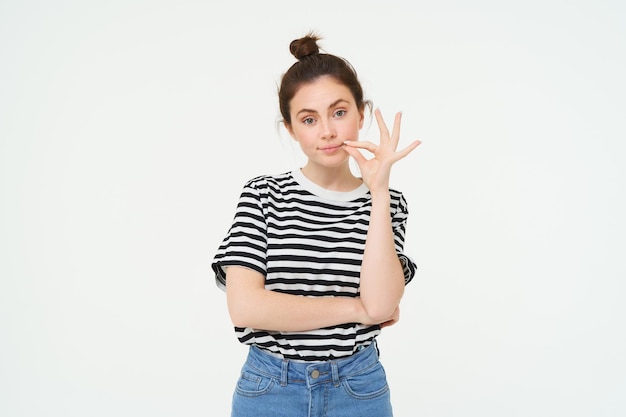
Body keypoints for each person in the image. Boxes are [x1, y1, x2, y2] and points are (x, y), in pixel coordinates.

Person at [211, 32, 421, 417]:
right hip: (271, 388)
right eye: (309, 119)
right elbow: (244, 307)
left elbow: (381, 302)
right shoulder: (262, 195)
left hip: (359, 387)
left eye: (339, 112)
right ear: (291, 128)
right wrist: (357, 311)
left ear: (361, 112)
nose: (327, 131)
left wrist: (377, 192)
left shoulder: (388, 204)